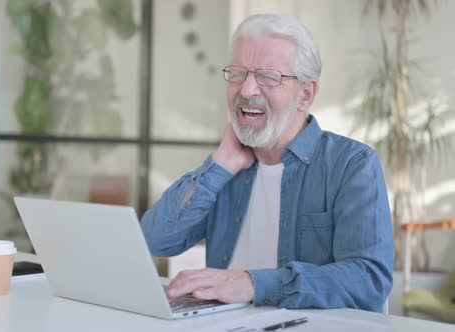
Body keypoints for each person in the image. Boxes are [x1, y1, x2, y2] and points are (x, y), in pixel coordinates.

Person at [140, 14, 394, 313]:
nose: (247, 91)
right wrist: (220, 164)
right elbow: (153, 241)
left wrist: (251, 284)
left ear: (306, 94)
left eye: (268, 77)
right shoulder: (226, 168)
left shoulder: (352, 165)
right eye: (238, 73)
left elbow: (369, 280)